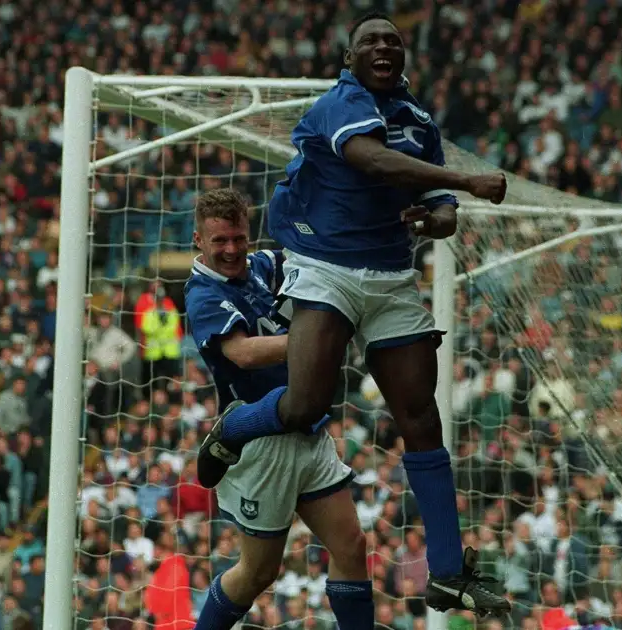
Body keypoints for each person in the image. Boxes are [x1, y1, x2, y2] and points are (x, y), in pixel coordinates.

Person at [194, 12, 511, 615]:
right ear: (350, 57)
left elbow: (441, 209)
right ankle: (232, 429)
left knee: (421, 415)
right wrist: (468, 180)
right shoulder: (339, 104)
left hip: (391, 275)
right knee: (305, 404)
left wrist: (439, 214)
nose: (383, 47)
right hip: (325, 264)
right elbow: (373, 160)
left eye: (393, 40)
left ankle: (447, 571)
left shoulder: (420, 124)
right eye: (371, 41)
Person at [184, 189, 373, 629]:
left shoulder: (262, 265)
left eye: (238, 238)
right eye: (219, 241)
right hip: (262, 445)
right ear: (199, 240)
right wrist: (313, 339)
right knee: (258, 573)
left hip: (307, 428)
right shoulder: (202, 293)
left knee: (351, 547)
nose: (231, 250)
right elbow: (243, 353)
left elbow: (308, 257)